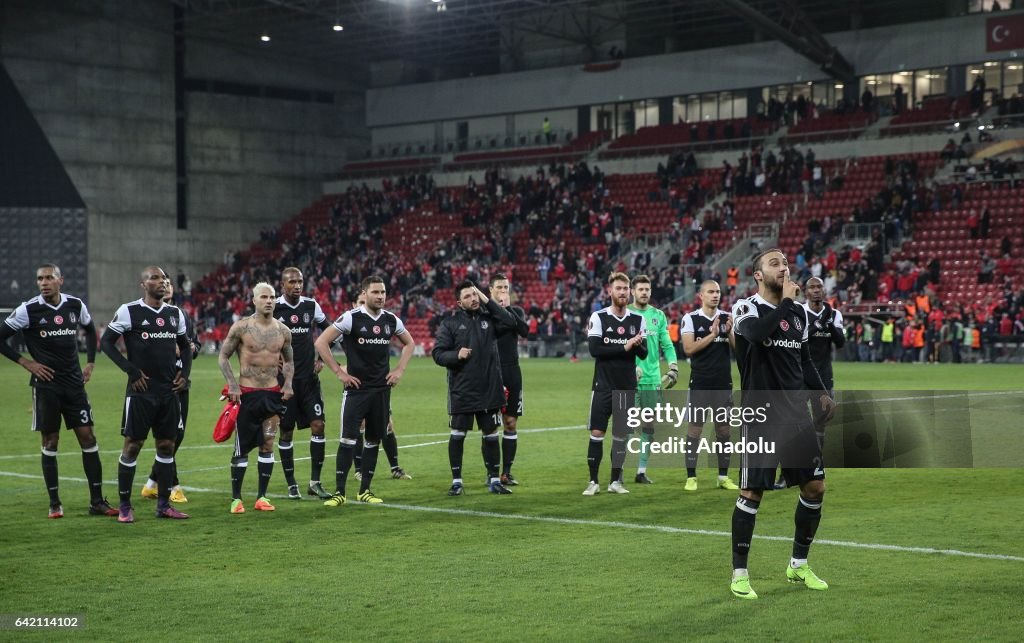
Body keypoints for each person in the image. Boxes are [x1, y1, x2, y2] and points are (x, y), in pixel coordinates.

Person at [729, 249, 835, 600]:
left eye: (785, 262)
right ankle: (740, 574)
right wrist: (788, 305)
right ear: (757, 274)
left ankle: (798, 564)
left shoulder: (799, 315)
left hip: (795, 414)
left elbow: (804, 360)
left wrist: (821, 392)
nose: (784, 267)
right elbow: (758, 334)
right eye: (774, 263)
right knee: (752, 493)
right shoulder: (746, 308)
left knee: (815, 488)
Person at [0, 264, 117, 519]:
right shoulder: (28, 309)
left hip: (75, 385)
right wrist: (26, 362)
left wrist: (91, 362)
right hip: (46, 388)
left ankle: (97, 502)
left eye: (49, 278)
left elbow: (89, 329)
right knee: (50, 441)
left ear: (60, 280)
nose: (43, 283)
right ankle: (54, 502)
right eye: (40, 278)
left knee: (88, 438)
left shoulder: (75, 305)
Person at [101, 265, 193, 522]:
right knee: (132, 446)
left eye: (164, 278)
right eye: (155, 278)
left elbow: (185, 347)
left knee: (166, 445)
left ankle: (164, 505)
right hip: (140, 393)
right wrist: (130, 371)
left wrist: (184, 374)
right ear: (143, 284)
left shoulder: (175, 314)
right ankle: (125, 506)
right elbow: (106, 342)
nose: (162, 282)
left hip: (168, 392)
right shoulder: (129, 311)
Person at [315, 276, 414, 506]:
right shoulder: (351, 318)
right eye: (375, 292)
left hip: (381, 390)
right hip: (356, 391)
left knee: (372, 440)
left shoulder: (391, 320)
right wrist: (340, 373)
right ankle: (340, 493)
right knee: (348, 440)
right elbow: (321, 342)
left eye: (383, 292)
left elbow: (409, 343)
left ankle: (365, 491)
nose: (380, 296)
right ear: (365, 293)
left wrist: (399, 369)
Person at [432, 280, 517, 496]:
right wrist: (456, 355)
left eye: (475, 294)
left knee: (490, 434)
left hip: (490, 389)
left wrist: (487, 299)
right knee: (458, 434)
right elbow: (438, 353)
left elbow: (509, 320)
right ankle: (457, 481)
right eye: (468, 296)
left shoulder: (490, 318)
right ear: (459, 302)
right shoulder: (450, 324)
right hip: (462, 389)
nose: (473, 299)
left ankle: (495, 480)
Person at [218, 282, 294, 514]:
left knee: (268, 443)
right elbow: (223, 357)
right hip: (247, 394)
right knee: (242, 448)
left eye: (272, 297)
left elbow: (289, 360)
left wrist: (288, 383)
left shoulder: (283, 331)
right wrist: (232, 384)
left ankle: (262, 497)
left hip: (272, 393)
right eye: (264, 297)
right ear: (254, 300)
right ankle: (236, 499)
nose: (269, 300)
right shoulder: (241, 328)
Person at [583, 272, 648, 496]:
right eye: (618, 288)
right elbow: (595, 350)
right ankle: (593, 482)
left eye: (625, 288)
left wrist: (637, 344)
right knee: (597, 433)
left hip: (627, 386)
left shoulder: (638, 319)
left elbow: (644, 351)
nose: (622, 292)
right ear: (610, 291)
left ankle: (615, 482)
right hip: (603, 386)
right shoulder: (599, 317)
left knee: (621, 436)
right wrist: (625, 346)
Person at [272, 267, 332, 500]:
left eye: (300, 281)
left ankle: (315, 482)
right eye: (292, 282)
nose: (297, 285)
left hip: (309, 379)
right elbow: (255, 336)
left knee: (318, 425)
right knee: (286, 431)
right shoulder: (274, 307)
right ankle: (291, 484)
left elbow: (330, 330)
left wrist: (320, 358)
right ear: (282, 284)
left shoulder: (311, 305)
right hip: (284, 382)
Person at [140, 278, 200, 503]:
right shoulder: (144, 313)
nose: (164, 286)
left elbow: (194, 346)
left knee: (178, 435)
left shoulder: (181, 315)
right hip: (159, 384)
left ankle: (150, 484)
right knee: (168, 436)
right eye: (160, 282)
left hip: (180, 383)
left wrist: (191, 348)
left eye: (168, 283)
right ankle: (173, 486)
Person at [680, 280, 738, 491]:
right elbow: (688, 348)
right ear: (701, 295)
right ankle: (691, 477)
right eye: (711, 292)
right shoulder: (691, 319)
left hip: (723, 383)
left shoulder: (727, 317)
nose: (715, 295)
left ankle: (723, 477)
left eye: (718, 292)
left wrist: (730, 332)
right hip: (700, 383)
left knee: (724, 431)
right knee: (695, 430)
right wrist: (713, 335)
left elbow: (739, 352)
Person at [350, 293, 413, 483]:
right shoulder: (350, 322)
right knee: (359, 426)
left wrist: (399, 369)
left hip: (380, 384)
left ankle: (395, 467)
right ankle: (359, 469)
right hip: (358, 386)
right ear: (354, 304)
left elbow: (408, 342)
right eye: (360, 302)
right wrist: (341, 369)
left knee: (387, 425)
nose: (363, 305)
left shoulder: (384, 320)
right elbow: (326, 343)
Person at [628, 274, 678, 484]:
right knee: (626, 428)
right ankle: (617, 473)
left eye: (647, 289)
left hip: (652, 379)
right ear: (633, 291)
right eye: (640, 289)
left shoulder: (658, 315)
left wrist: (673, 365)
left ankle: (640, 471)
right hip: (627, 380)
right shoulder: (624, 314)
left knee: (649, 426)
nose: (644, 293)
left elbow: (666, 344)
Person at [489, 273, 529, 486]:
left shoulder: (517, 311)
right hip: (491, 372)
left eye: (506, 287)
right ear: (491, 290)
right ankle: (492, 473)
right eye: (499, 287)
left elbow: (525, 331)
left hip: (512, 371)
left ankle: (506, 472)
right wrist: (498, 310)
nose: (503, 291)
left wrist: (508, 309)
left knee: (510, 423)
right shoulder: (485, 312)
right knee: (491, 425)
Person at [802, 277, 844, 447]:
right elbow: (798, 340)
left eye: (819, 286)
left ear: (824, 290)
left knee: (824, 416)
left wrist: (829, 324)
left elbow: (840, 342)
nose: (816, 290)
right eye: (812, 287)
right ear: (806, 292)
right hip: (802, 373)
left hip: (824, 372)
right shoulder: (800, 312)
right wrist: (818, 325)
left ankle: (816, 461)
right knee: (794, 416)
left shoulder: (834, 314)